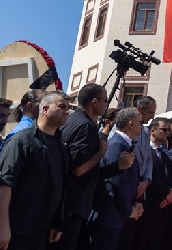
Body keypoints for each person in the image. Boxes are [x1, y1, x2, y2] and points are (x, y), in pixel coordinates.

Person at [0, 92, 69, 250]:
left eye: (68, 107)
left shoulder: (60, 145)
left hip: (41, 232)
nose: (67, 111)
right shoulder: (21, 141)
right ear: (44, 109)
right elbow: (4, 185)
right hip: (15, 230)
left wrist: (57, 223)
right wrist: (2, 227)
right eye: (61, 107)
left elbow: (61, 185)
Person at [59, 84, 134, 250]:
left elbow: (91, 171)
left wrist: (117, 166)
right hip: (73, 205)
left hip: (68, 204)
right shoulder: (85, 125)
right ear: (94, 101)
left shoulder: (72, 119)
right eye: (105, 100)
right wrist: (101, 151)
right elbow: (78, 169)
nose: (106, 105)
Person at [89, 108, 144, 250]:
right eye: (140, 122)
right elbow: (113, 183)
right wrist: (129, 209)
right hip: (108, 218)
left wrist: (135, 204)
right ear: (131, 124)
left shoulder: (125, 144)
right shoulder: (116, 145)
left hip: (116, 217)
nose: (142, 126)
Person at [110, 96, 156, 249]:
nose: (152, 117)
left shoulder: (145, 131)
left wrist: (146, 181)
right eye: (150, 112)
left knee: (130, 237)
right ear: (140, 109)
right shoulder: (118, 136)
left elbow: (148, 158)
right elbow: (115, 170)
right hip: (125, 191)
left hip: (139, 189)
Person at [134, 117, 172, 250]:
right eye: (164, 129)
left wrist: (170, 194)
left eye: (169, 130)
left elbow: (169, 177)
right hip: (148, 206)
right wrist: (166, 192)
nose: (168, 133)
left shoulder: (164, 154)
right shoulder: (145, 152)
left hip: (163, 208)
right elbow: (147, 177)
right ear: (152, 130)